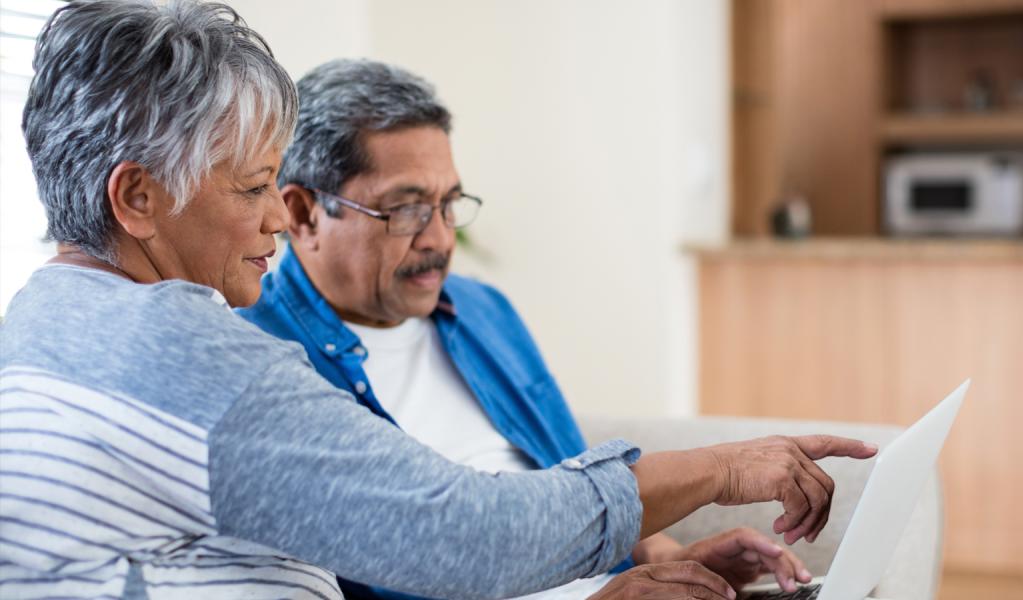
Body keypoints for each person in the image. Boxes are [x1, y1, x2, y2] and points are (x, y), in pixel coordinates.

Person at [0, 2, 877, 599]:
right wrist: (724, 469)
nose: (274, 214)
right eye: (254, 187)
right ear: (137, 199)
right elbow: (463, 534)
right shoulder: (186, 354)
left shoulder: (48, 317)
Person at [238, 58, 820, 600]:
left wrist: (673, 556)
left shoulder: (479, 308)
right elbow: (438, 549)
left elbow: (564, 472)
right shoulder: (256, 361)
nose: (440, 238)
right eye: (407, 209)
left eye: (449, 204)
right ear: (303, 213)